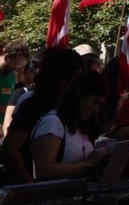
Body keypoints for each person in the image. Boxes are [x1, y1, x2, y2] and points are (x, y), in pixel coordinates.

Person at [1, 47, 84, 185]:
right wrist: (30, 186)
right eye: (72, 76)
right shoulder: (33, 105)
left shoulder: (72, 104)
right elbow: (10, 148)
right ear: (56, 76)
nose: (75, 83)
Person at [30, 70, 110, 181]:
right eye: (94, 102)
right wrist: (86, 164)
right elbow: (43, 171)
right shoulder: (52, 123)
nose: (96, 109)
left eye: (100, 105)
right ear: (79, 95)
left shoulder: (80, 126)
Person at [0, 42, 31, 112]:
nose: (22, 70)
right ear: (7, 58)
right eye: (18, 65)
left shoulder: (12, 72)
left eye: (24, 66)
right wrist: (15, 108)